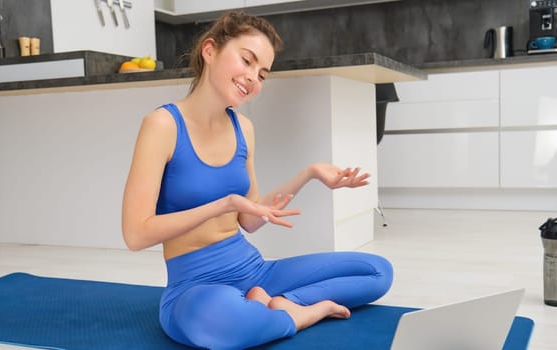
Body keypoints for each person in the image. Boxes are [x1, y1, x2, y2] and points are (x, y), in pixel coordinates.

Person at [121, 11, 393, 349]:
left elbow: (249, 218)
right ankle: (302, 312)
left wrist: (308, 174)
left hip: (256, 272)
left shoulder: (243, 129)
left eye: (262, 73)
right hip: (195, 288)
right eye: (247, 61)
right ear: (210, 50)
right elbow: (135, 234)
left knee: (377, 272)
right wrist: (222, 205)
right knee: (225, 326)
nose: (252, 78)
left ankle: (271, 302)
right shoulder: (162, 125)